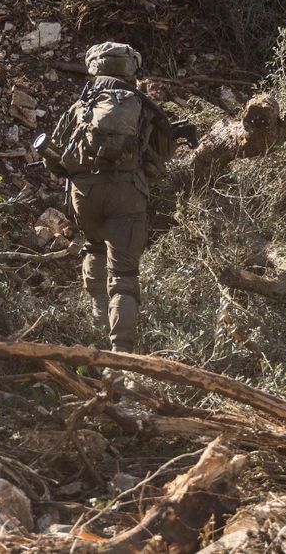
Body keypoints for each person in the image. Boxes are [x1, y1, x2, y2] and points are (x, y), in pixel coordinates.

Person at [42, 42, 195, 353]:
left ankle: (97, 324)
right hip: (127, 195)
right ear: (130, 68)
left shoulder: (81, 105)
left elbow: (55, 157)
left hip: (84, 196)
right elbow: (164, 153)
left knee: (94, 247)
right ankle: (120, 351)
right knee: (124, 274)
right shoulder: (142, 104)